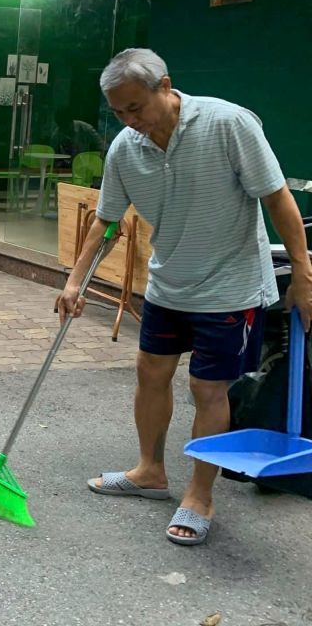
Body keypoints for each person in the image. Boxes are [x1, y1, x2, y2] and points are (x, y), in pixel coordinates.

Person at [59, 48, 312, 546]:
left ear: (165, 86)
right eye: (118, 112)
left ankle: (200, 494)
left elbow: (277, 196)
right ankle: (150, 471)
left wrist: (303, 273)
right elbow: (107, 220)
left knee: (207, 389)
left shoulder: (227, 124)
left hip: (229, 287)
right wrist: (75, 280)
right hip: (168, 282)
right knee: (150, 372)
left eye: (136, 107)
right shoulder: (125, 149)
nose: (130, 121)